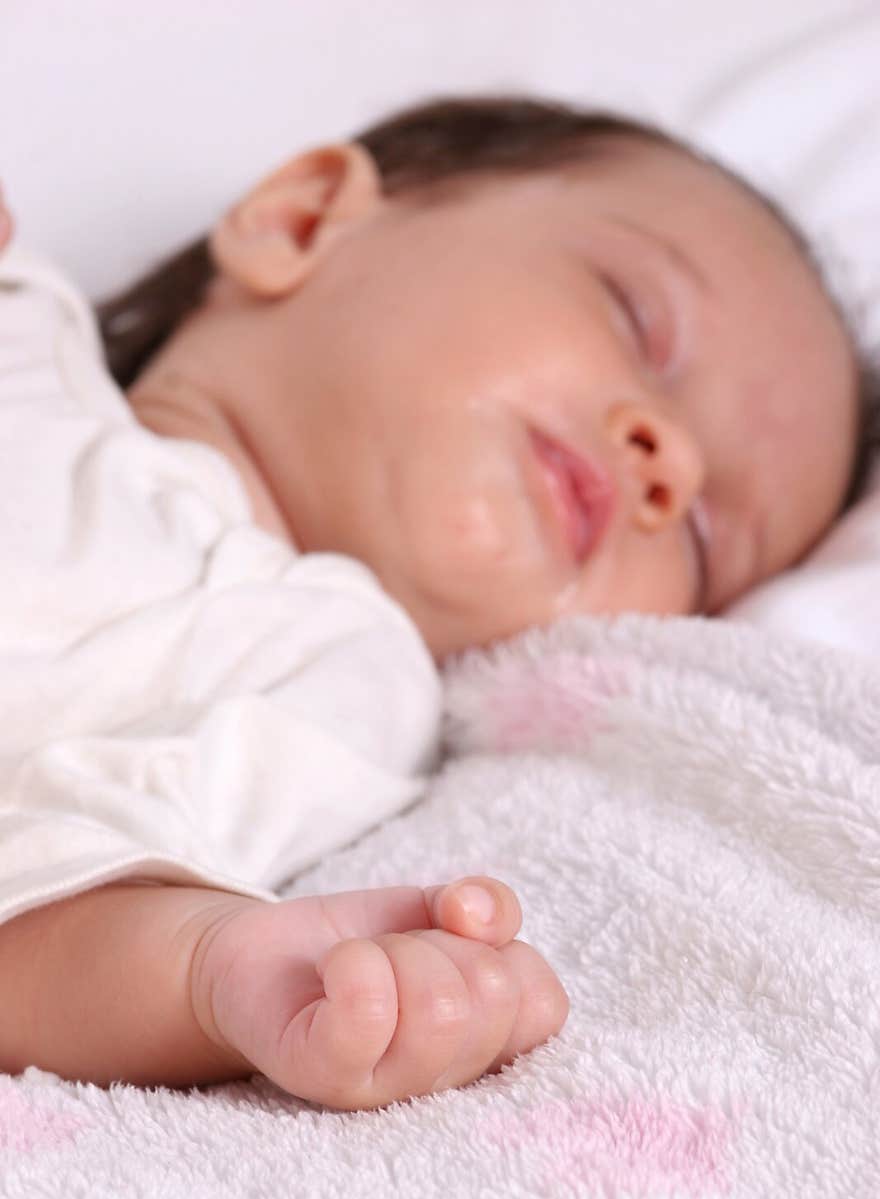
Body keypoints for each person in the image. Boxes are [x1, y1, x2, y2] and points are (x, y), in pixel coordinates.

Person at [0, 96, 876, 1112]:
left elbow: (46, 901)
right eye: (635, 321)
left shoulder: (344, 689)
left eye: (702, 537)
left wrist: (219, 971)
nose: (667, 465)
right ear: (303, 220)